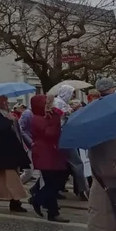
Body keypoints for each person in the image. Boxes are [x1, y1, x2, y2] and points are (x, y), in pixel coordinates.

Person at [0, 95, 29, 211]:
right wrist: (9, 120)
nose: (6, 101)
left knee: (0, 177)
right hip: (0, 151)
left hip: (8, 150)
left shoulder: (1, 111)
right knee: (12, 177)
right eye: (4, 99)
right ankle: (15, 202)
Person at [28, 94, 69, 222]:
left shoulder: (45, 116)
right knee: (53, 183)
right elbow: (50, 133)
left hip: (51, 152)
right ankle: (38, 200)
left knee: (54, 181)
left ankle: (52, 211)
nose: (48, 107)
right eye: (46, 104)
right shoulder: (36, 118)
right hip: (44, 153)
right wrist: (56, 118)